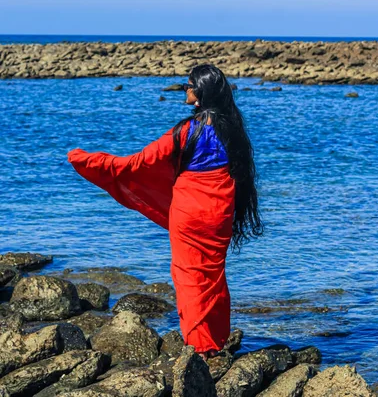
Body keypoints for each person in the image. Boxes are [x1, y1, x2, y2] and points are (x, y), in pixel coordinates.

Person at [67, 63, 263, 360]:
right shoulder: (233, 128)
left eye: (188, 85)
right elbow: (241, 175)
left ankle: (199, 346)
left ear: (200, 92)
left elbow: (137, 163)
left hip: (189, 213)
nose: (185, 89)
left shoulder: (186, 130)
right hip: (220, 213)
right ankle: (216, 338)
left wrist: (90, 161)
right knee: (212, 277)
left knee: (188, 277)